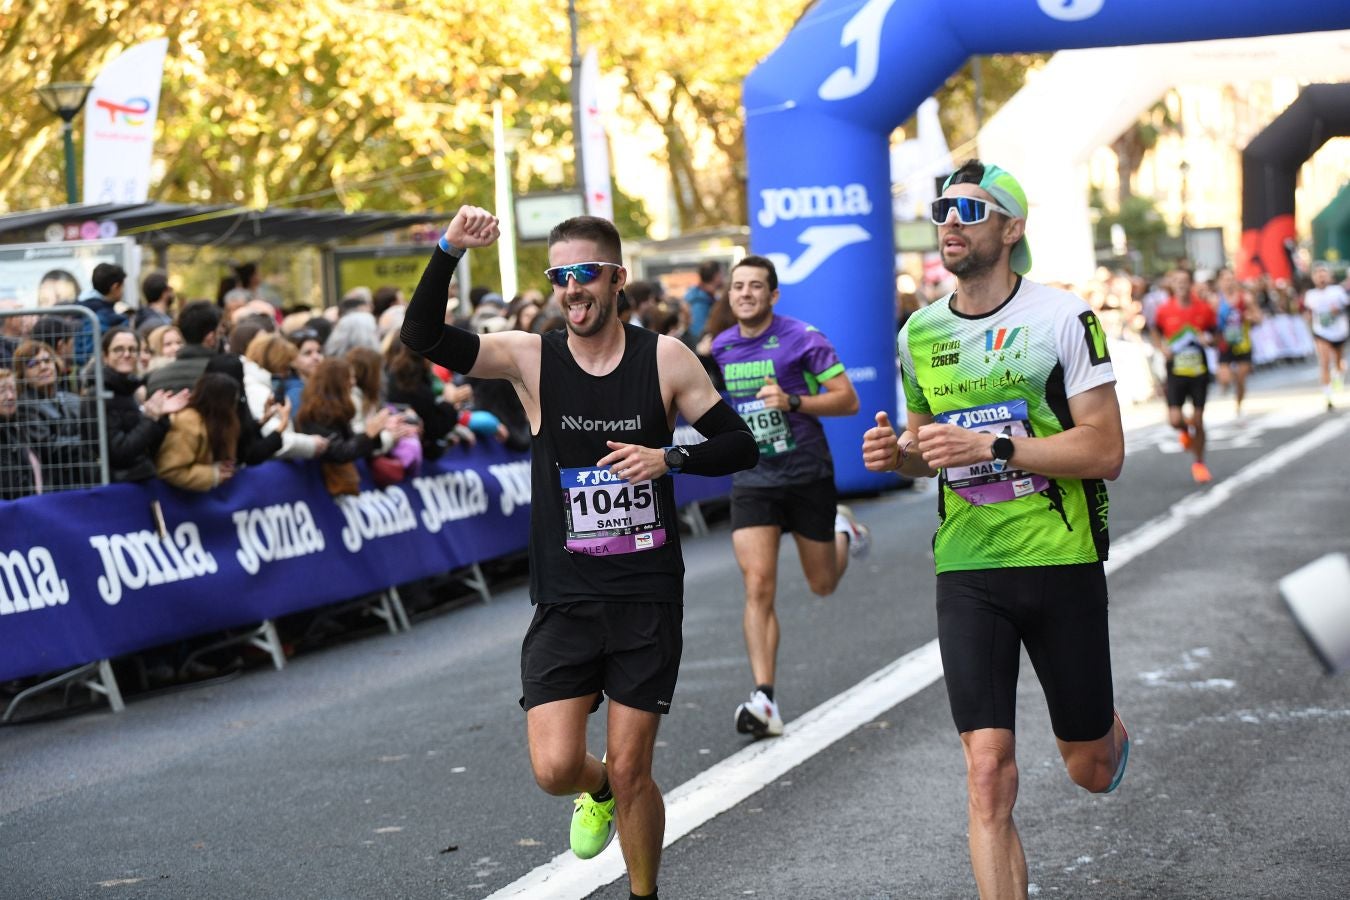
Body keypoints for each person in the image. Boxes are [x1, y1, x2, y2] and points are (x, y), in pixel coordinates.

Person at [402, 206, 757, 900]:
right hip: (566, 595)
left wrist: (668, 456)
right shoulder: (532, 358)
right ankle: (591, 789)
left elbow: (738, 445)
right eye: (560, 276)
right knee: (557, 767)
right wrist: (446, 249)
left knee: (633, 769)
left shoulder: (666, 358)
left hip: (645, 593)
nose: (572, 289)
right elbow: (422, 336)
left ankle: (643, 892)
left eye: (585, 274)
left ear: (617, 278)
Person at [862, 160, 1129, 900]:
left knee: (1089, 768)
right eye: (942, 208)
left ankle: (1104, 731)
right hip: (968, 568)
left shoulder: (1061, 319)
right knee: (986, 772)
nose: (950, 221)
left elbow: (1104, 451)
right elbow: (927, 452)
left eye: (970, 210)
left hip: (1059, 559)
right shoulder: (919, 332)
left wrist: (995, 445)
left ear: (1012, 230)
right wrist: (900, 457)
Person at [709, 254, 868, 738]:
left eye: (756, 286)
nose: (745, 294)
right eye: (738, 287)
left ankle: (842, 530)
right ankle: (765, 698)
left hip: (806, 473)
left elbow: (848, 398)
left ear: (773, 295)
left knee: (822, 584)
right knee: (758, 585)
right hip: (754, 477)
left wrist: (793, 400)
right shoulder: (721, 346)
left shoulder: (803, 338)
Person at [82, 326, 189, 483]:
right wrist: (150, 418)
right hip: (116, 485)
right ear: (105, 356)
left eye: (132, 350)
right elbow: (119, 452)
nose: (126, 354)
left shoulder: (130, 389)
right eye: (118, 349)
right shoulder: (97, 395)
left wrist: (160, 417)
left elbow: (146, 444)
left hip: (138, 478)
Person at [1151, 268, 1218, 482]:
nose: (1181, 284)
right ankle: (1184, 430)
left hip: (1198, 371)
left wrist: (1209, 340)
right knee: (1174, 420)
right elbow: (1154, 331)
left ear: (1191, 284)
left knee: (1198, 420)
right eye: (1176, 281)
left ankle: (1199, 463)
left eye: (1184, 281)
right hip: (1176, 371)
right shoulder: (1164, 310)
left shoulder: (1204, 308)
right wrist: (1162, 349)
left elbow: (1216, 333)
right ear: (1171, 285)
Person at [12, 339, 96, 491]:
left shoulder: (72, 399)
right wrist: (90, 442)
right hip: (55, 486)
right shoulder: (25, 406)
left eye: (47, 360)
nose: (43, 367)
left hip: (85, 479)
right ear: (22, 374)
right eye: (33, 364)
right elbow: (49, 448)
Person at [155, 372, 240, 491]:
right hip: (179, 499)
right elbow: (171, 470)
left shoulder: (222, 424)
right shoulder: (186, 423)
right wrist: (212, 475)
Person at [145, 301, 224, 395]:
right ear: (211, 337)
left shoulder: (155, 378)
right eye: (219, 333)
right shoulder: (223, 372)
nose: (174, 347)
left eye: (177, 342)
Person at [1212, 268, 1261, 419]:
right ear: (1220, 282)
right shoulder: (1215, 301)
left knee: (1241, 378)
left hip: (1243, 343)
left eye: (1231, 279)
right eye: (1225, 280)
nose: (1229, 283)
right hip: (1224, 344)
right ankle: (1227, 383)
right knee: (1226, 377)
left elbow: (1259, 317)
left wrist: (1250, 317)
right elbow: (1208, 322)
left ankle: (1239, 407)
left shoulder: (1245, 298)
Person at [1302, 263, 1348, 410]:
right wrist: (1308, 317)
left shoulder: (1338, 291)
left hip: (1339, 332)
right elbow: (1308, 312)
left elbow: (1346, 306)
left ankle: (1338, 376)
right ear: (1313, 278)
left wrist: (1338, 310)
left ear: (1329, 276)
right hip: (1321, 332)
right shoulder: (1310, 295)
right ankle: (1328, 396)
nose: (1321, 276)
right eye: (1317, 274)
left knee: (1339, 362)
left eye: (1324, 273)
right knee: (1324, 362)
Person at [0, 368, 41, 499]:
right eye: (2, 391)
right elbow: (11, 482)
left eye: (13, 390)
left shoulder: (15, 425)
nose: (10, 396)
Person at [683, 260, 724, 340]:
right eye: (721, 273)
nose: (723, 276)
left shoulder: (706, 297)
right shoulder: (699, 301)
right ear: (716, 276)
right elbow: (698, 334)